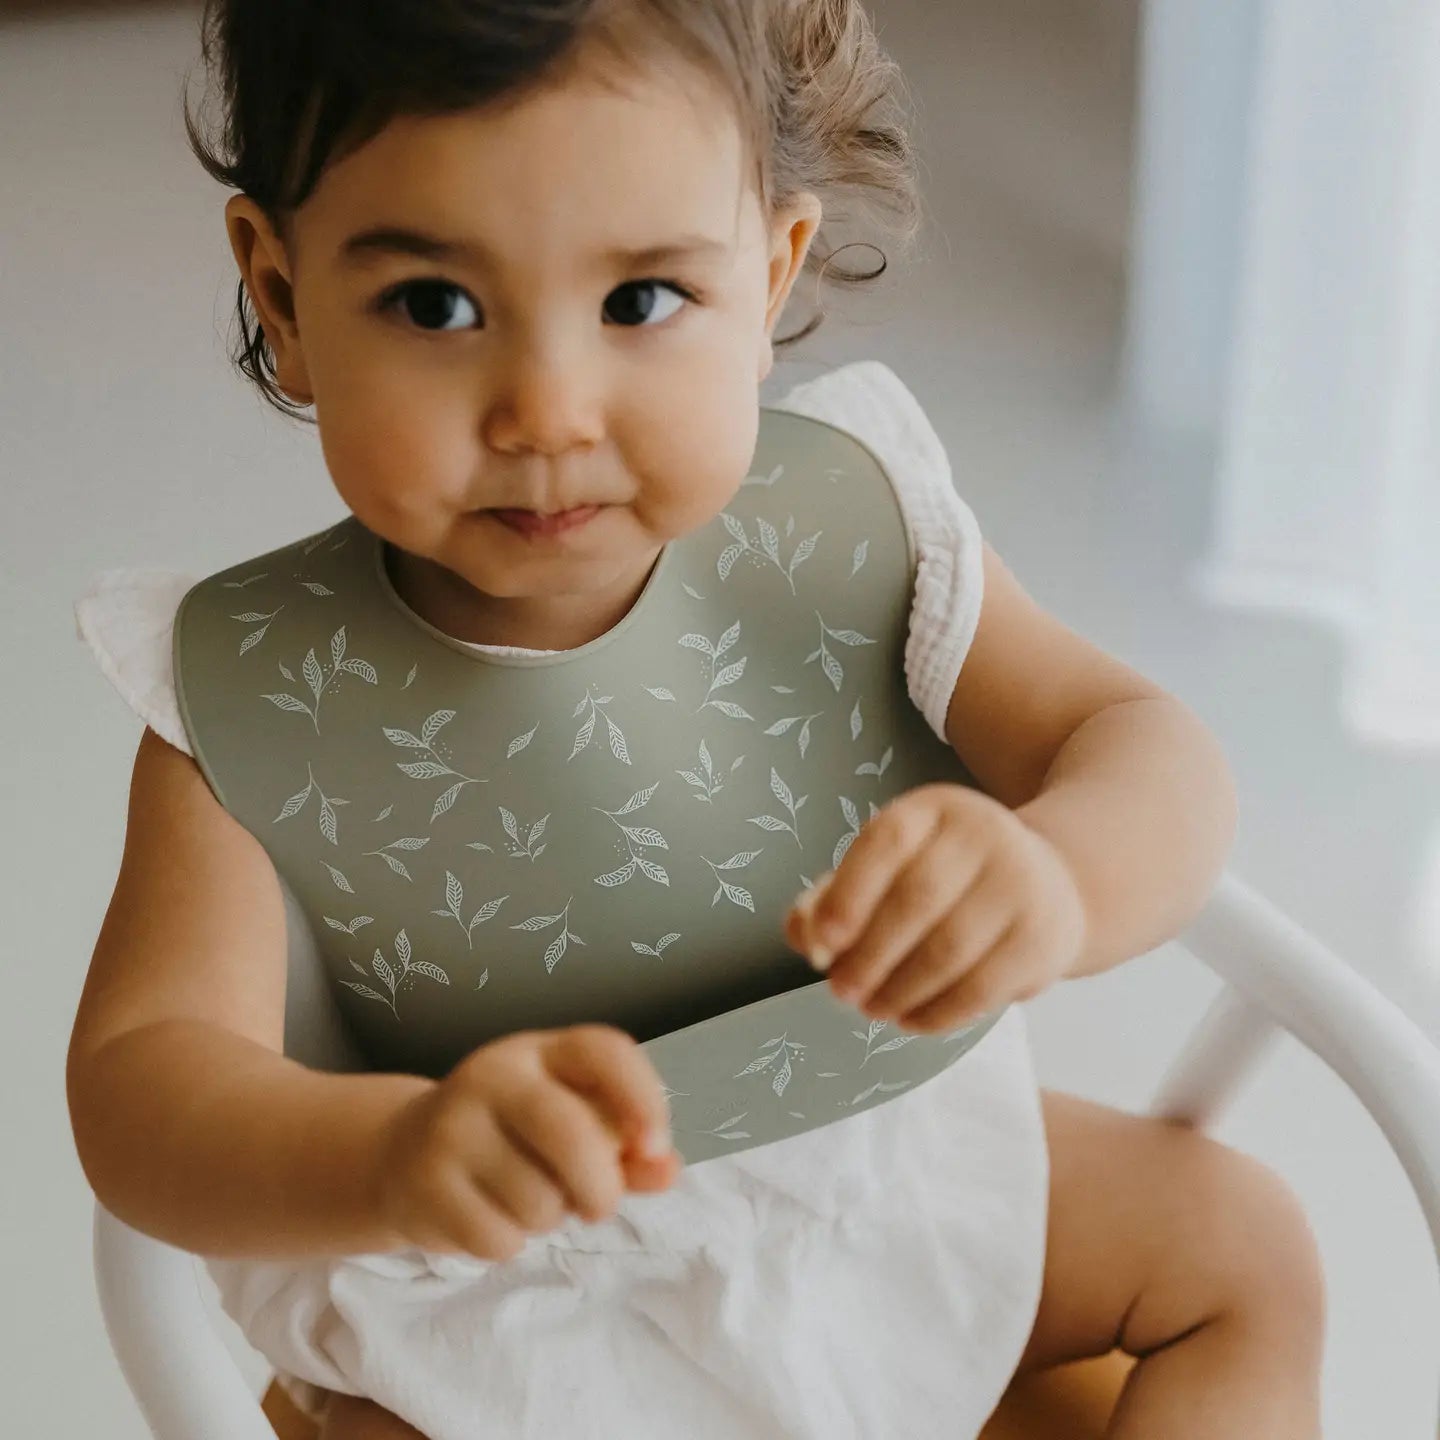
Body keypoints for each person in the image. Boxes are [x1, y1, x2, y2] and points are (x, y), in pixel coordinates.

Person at [66, 3, 1326, 1437]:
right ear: (285, 298)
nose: (548, 411)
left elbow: (1143, 746)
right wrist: (395, 1153)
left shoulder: (847, 533)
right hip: (501, 1279)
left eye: (640, 301)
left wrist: (1063, 875)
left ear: (769, 274)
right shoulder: (249, 694)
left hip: (865, 1160)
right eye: (435, 305)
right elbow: (144, 1084)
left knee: (1238, 1246)